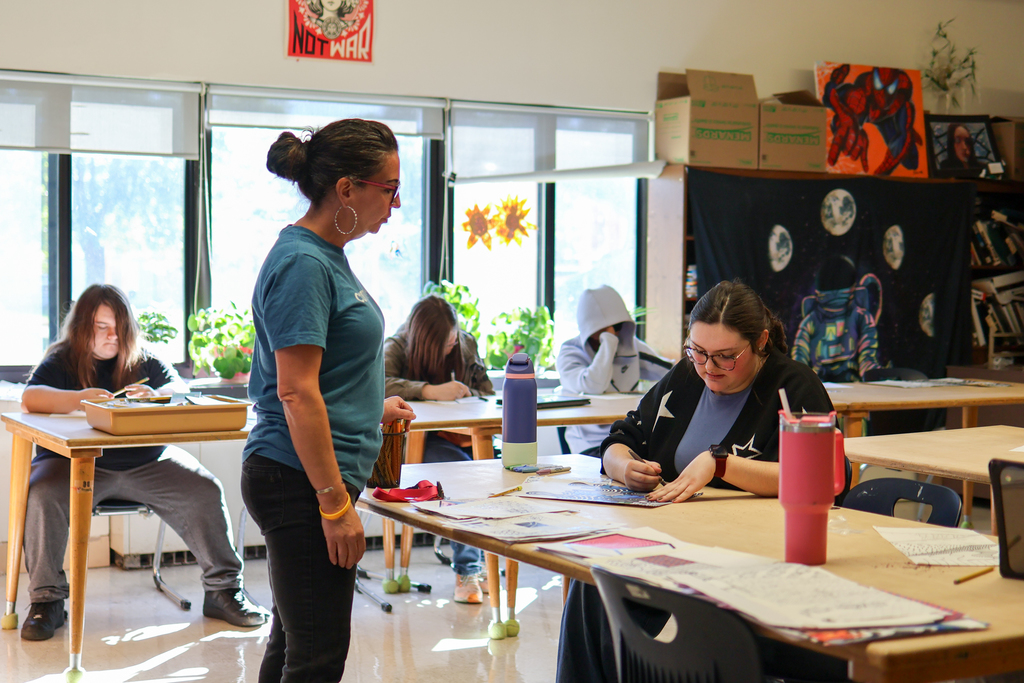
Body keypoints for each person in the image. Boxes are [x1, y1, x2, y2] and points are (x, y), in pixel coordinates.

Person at [556, 280, 848, 683]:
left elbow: (826, 478)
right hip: (680, 542)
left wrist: (722, 464)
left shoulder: (793, 387)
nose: (709, 367)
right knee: (594, 584)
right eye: (698, 351)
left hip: (755, 552)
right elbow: (623, 436)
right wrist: (623, 466)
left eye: (726, 357)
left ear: (761, 341)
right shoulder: (686, 378)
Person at [243, 118, 417, 683]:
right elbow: (294, 391)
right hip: (299, 479)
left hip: (302, 476)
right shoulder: (303, 265)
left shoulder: (324, 255)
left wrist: (372, 406)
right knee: (316, 658)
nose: (395, 202)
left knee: (294, 644)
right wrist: (334, 504)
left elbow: (325, 375)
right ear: (347, 189)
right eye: (388, 187)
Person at [20, 284, 267, 641]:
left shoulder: (143, 358)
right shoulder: (62, 359)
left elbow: (179, 389)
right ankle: (47, 601)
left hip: (148, 462)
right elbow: (31, 398)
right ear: (81, 328)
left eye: (118, 326)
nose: (112, 335)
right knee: (42, 494)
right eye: (101, 326)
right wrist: (78, 398)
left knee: (204, 489)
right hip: (74, 466)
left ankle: (224, 591)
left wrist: (158, 395)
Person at [384, 294, 493, 604]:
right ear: (423, 341)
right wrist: (429, 390)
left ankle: (484, 563)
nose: (451, 347)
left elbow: (486, 392)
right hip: (422, 443)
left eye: (453, 340)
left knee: (493, 474)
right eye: (444, 344)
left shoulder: (465, 344)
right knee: (465, 477)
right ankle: (468, 569)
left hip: (466, 438)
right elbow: (380, 384)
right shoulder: (396, 347)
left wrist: (465, 391)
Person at [555, 285, 673, 455]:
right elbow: (594, 385)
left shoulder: (630, 346)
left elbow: (669, 372)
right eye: (603, 328)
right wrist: (608, 343)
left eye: (618, 326)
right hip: (589, 444)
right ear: (589, 325)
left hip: (631, 438)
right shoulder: (570, 352)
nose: (613, 332)